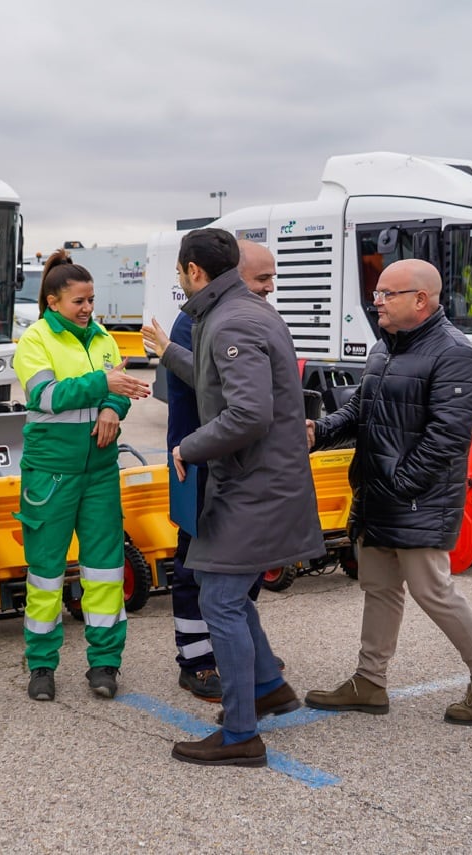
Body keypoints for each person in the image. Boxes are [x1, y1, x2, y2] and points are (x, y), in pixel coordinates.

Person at [304, 259, 472, 725]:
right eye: (377, 293)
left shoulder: (452, 352)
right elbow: (361, 409)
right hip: (380, 494)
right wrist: (317, 432)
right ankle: (370, 681)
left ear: (420, 300)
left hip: (415, 498)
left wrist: (400, 485)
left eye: (387, 293)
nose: (376, 301)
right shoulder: (386, 349)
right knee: (379, 587)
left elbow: (448, 436)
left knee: (433, 590)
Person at [144, 228, 323, 768]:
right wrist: (169, 351)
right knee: (229, 593)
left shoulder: (232, 320)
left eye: (180, 271)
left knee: (219, 599)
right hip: (259, 481)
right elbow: (213, 381)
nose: (180, 279)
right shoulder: (237, 312)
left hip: (252, 486)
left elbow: (248, 413)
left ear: (194, 271)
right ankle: (268, 686)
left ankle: (242, 734)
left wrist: (187, 448)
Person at [13, 249, 150, 702]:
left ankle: (105, 663)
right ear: (53, 302)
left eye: (91, 299)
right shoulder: (35, 340)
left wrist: (113, 407)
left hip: (99, 472)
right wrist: (103, 387)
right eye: (78, 301)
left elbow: (123, 388)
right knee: (47, 574)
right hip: (50, 475)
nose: (88, 308)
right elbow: (46, 396)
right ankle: (41, 667)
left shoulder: (105, 340)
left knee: (106, 572)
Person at [151, 239, 283, 704]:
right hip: (199, 462)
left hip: (225, 459)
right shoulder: (200, 319)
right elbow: (208, 386)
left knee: (233, 570)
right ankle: (197, 660)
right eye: (261, 278)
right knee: (197, 565)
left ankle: (246, 657)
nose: (269, 287)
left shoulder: (237, 315)